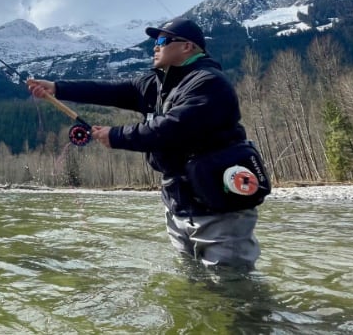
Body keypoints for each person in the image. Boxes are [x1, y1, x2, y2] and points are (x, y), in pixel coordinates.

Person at [27, 17, 261, 270]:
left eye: (162, 40)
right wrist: (57, 88)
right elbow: (108, 91)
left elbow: (173, 128)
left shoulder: (208, 82)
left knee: (233, 290)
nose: (155, 46)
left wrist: (115, 135)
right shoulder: (154, 84)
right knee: (193, 285)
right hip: (178, 204)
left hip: (219, 208)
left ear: (187, 47)